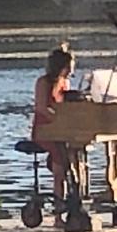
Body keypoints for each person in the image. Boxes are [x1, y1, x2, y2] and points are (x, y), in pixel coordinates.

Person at [32, 43, 75, 207]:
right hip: (45, 128)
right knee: (60, 163)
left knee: (75, 151)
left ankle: (73, 197)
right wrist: (59, 120)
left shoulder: (65, 83)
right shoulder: (43, 82)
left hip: (61, 129)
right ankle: (58, 209)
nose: (72, 69)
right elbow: (41, 108)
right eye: (69, 66)